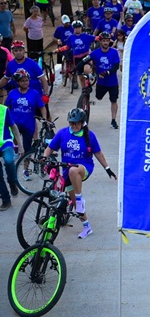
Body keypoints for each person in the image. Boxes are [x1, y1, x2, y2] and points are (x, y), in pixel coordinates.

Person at [43, 108, 117, 238]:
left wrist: (107, 168)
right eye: (71, 123)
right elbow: (50, 148)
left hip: (84, 168)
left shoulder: (90, 135)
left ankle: (79, 198)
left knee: (74, 171)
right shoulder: (62, 133)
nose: (74, 125)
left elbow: (98, 153)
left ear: (83, 122)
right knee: (73, 198)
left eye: (76, 123)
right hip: (67, 170)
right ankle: (87, 227)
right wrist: (44, 157)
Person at [5, 69, 46, 165]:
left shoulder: (34, 93)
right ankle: (15, 156)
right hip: (14, 124)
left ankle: (26, 169)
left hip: (28, 125)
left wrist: (44, 119)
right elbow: (6, 107)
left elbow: (42, 107)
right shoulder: (12, 93)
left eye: (27, 80)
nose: (25, 82)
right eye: (23, 81)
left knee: (27, 148)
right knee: (15, 145)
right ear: (18, 82)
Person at [89, 32, 121, 129]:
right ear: (100, 42)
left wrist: (107, 73)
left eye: (107, 41)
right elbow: (87, 60)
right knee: (98, 97)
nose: (106, 43)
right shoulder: (95, 53)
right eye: (104, 41)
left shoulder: (114, 52)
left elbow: (116, 66)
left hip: (112, 82)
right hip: (101, 83)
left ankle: (113, 120)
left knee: (114, 100)